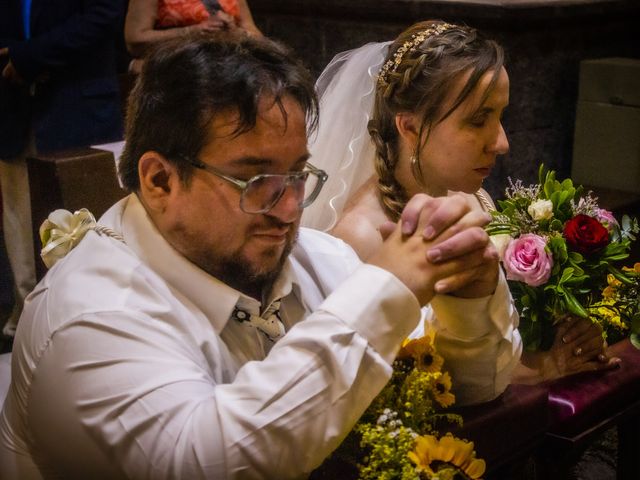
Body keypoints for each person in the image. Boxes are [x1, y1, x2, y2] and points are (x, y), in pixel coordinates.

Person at [0, 32, 499, 478]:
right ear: (159, 180)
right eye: (255, 179)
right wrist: (385, 291)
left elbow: (469, 390)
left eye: (298, 174)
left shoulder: (320, 258)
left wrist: (468, 306)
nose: (288, 208)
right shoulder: (91, 318)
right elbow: (208, 459)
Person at [302, 19, 619, 387]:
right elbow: (427, 385)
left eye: (501, 116)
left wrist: (558, 343)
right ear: (410, 127)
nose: (501, 143)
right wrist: (543, 369)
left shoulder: (470, 197)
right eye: (479, 119)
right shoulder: (359, 241)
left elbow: (491, 341)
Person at [0, 0, 125, 337]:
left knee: (87, 219)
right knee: (18, 220)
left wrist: (29, 57)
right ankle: (27, 316)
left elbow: (105, 13)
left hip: (76, 99)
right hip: (13, 104)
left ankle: (82, 322)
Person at [125, 0, 262, 73]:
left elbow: (258, 39)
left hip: (226, 72)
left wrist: (236, 32)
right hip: (175, 71)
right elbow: (135, 40)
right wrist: (190, 32)